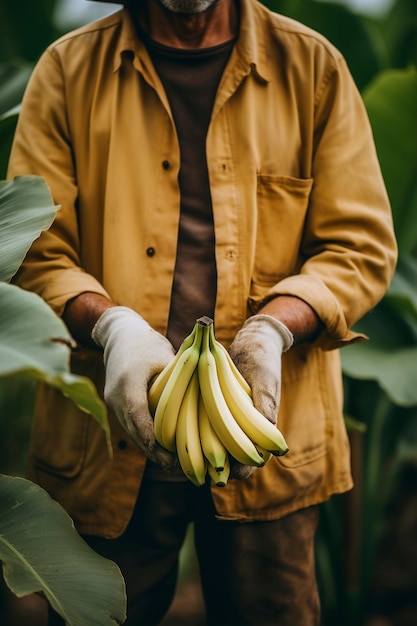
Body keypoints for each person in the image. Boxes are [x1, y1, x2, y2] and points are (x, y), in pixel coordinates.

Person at [7, 0, 397, 623]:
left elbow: (358, 248)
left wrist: (274, 328)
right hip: (107, 447)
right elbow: (35, 250)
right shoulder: (69, 69)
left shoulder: (312, 66)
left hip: (271, 441)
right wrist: (114, 327)